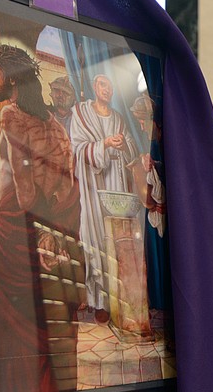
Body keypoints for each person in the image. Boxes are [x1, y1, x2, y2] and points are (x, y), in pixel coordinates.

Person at [0, 44, 84, 392]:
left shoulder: (11, 116)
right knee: (46, 317)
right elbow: (66, 189)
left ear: (8, 76)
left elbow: (22, 190)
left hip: (17, 231)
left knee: (17, 323)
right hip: (50, 231)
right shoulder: (55, 127)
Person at [69, 73, 138, 321]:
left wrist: (122, 146)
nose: (106, 89)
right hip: (92, 188)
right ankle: (100, 301)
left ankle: (121, 299)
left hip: (115, 185)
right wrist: (103, 144)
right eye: (102, 85)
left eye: (109, 86)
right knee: (95, 237)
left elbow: (131, 148)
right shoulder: (81, 113)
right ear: (94, 87)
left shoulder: (119, 119)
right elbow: (76, 148)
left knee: (118, 240)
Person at [128, 94, 166, 237]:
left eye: (143, 122)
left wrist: (155, 164)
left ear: (153, 119)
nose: (142, 128)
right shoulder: (153, 141)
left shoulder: (166, 138)